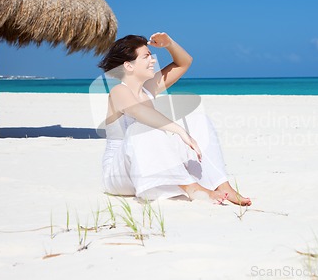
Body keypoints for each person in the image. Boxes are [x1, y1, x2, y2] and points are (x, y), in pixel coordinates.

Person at [98, 32, 251, 206]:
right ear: (129, 66)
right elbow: (139, 111)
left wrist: (169, 44)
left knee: (197, 119)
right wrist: (180, 131)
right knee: (141, 128)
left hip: (146, 163)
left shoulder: (148, 88)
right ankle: (192, 188)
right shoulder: (118, 91)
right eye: (146, 57)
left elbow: (184, 62)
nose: (153, 60)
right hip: (118, 174)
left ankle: (222, 185)